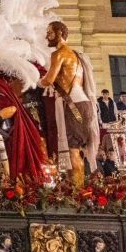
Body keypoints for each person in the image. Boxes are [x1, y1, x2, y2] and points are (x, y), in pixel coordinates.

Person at [40, 20, 100, 186]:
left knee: (73, 152)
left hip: (72, 105)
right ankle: (75, 189)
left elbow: (49, 80)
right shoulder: (75, 54)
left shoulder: (59, 54)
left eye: (50, 33)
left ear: (59, 34)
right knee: (76, 151)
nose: (47, 36)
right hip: (82, 103)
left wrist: (36, 81)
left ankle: (78, 193)